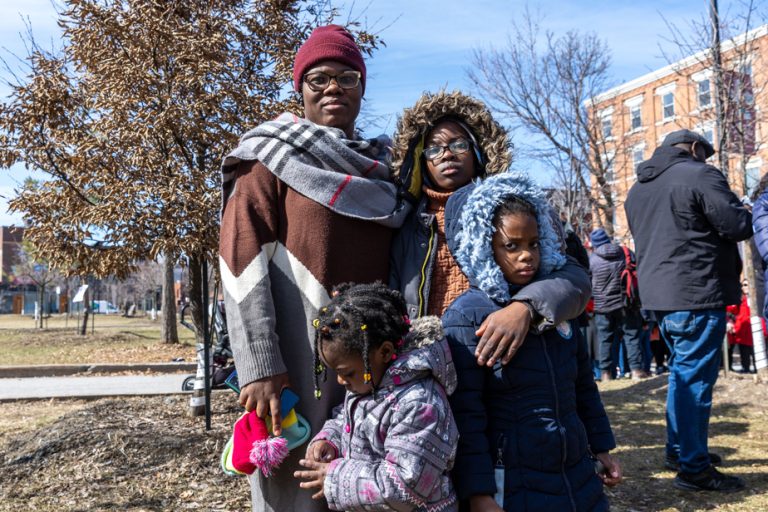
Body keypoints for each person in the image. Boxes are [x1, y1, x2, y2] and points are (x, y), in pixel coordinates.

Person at [219, 25, 410, 511]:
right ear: (299, 89)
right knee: (296, 490)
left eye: (347, 78)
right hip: (295, 364)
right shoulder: (266, 159)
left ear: (362, 89)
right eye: (319, 78)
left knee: (363, 483)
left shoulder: (384, 173)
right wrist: (260, 365)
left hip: (373, 364)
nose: (333, 88)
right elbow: (240, 267)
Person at [443, 172, 621, 511]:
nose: (526, 255)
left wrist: (601, 448)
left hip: (577, 475)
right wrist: (479, 492)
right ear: (483, 246)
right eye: (511, 246)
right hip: (511, 481)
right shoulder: (466, 317)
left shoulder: (555, 307)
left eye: (533, 244)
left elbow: (582, 385)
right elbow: (466, 415)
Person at [389, 91, 591, 367]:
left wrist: (526, 307)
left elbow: (575, 278)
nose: (446, 154)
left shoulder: (519, 208)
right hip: (430, 364)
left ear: (478, 150)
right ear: (421, 161)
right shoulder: (406, 225)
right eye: (434, 149)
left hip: (506, 362)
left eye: (458, 144)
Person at [625, 129, 751, 492]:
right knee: (694, 381)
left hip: (660, 297)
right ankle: (693, 467)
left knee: (682, 375)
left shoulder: (638, 189)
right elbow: (737, 225)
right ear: (694, 149)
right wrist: (742, 207)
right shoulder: (700, 174)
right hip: (694, 292)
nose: (706, 160)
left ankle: (681, 451)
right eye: (704, 153)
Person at [295, 282, 458, 511]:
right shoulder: (371, 383)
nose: (341, 382)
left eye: (346, 373)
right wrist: (331, 440)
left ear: (385, 352)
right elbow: (347, 419)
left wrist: (335, 478)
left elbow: (404, 487)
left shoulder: (420, 404)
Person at [588, 227, 647, 381]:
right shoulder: (624, 253)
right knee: (631, 336)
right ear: (607, 239)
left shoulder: (592, 260)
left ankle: (606, 373)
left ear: (594, 244)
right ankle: (636, 370)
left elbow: (588, 285)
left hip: (602, 306)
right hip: (625, 303)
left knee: (605, 339)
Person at [726, 281, 759, 373]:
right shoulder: (739, 299)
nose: (744, 287)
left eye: (746, 285)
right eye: (743, 285)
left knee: (755, 351)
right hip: (742, 330)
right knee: (744, 351)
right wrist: (733, 319)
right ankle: (746, 368)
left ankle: (758, 368)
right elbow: (731, 310)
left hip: (754, 328)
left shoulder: (757, 297)